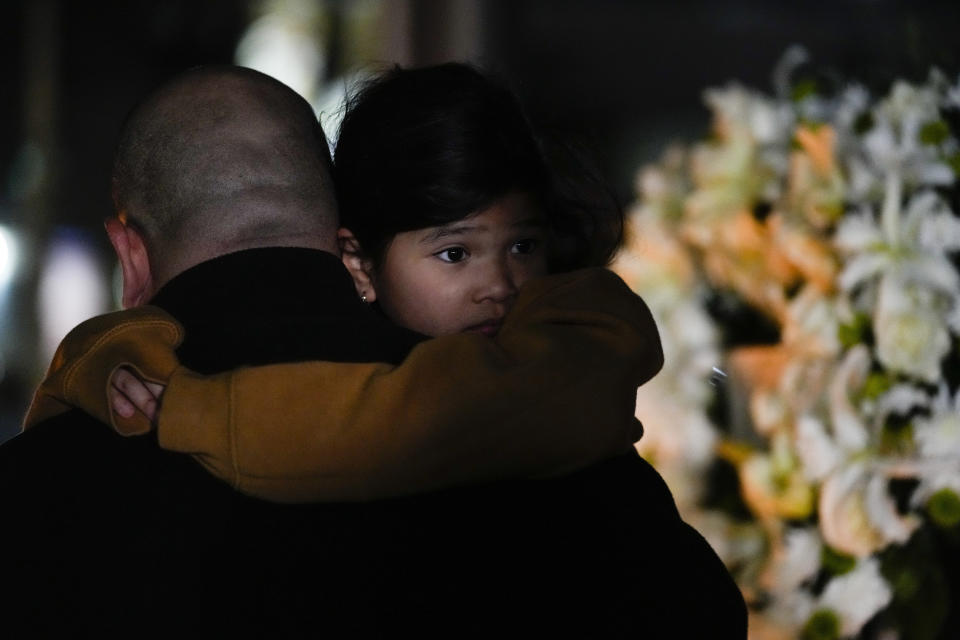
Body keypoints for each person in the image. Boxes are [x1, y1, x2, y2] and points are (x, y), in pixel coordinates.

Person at [9, 65, 746, 636]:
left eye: (522, 247)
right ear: (348, 246)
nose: (499, 285)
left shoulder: (45, 485)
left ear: (129, 255)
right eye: (455, 253)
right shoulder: (534, 429)